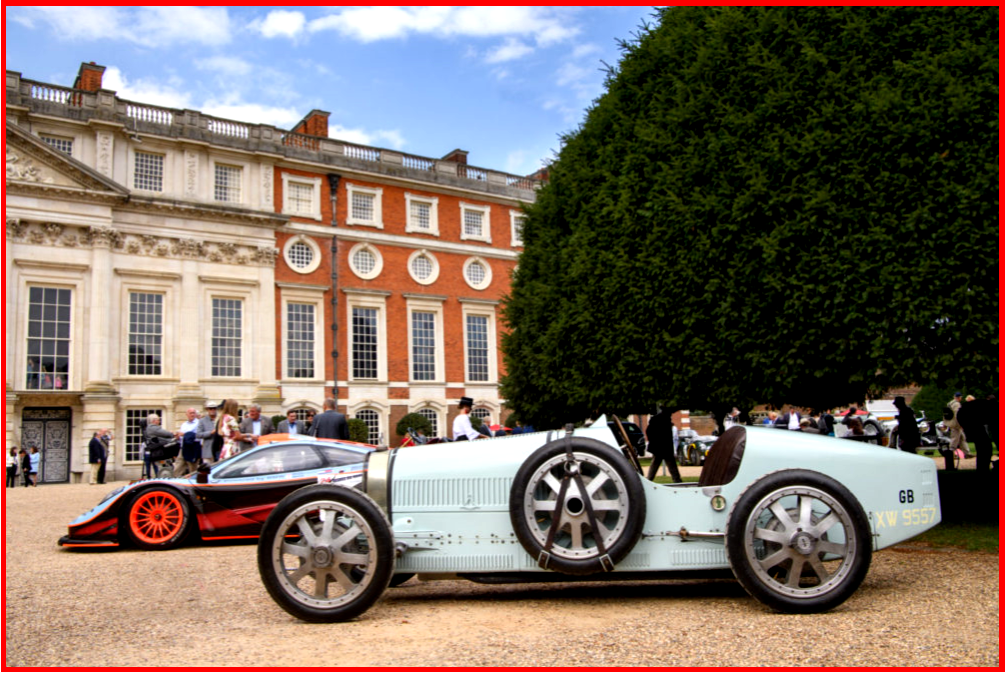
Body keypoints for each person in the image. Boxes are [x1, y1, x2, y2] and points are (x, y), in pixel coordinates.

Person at [956, 395, 996, 473]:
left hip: (966, 415)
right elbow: (996, 433)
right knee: (985, 445)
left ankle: (982, 469)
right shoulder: (995, 411)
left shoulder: (992, 408)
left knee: (984, 444)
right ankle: (982, 470)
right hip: (967, 416)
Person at [645, 408, 682, 482]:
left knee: (657, 464)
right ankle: (677, 480)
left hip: (661, 446)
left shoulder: (659, 418)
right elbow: (650, 431)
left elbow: (648, 431)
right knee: (670, 464)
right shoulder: (661, 419)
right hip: (662, 446)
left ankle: (649, 479)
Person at [144, 414, 177, 478]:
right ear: (154, 421)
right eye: (158, 420)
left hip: (155, 449)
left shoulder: (149, 428)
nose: (159, 422)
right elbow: (165, 433)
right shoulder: (153, 428)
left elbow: (161, 438)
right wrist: (172, 434)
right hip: (158, 451)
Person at [176, 408, 202, 476]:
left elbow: (198, 436)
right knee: (177, 468)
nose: (192, 414)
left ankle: (193, 484)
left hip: (193, 449)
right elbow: (181, 437)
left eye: (193, 413)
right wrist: (178, 437)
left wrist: (184, 434)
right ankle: (176, 482)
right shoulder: (184, 424)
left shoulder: (199, 423)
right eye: (190, 413)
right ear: (187, 414)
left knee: (192, 470)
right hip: (183, 448)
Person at [946, 392, 970, 459]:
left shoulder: (950, 403)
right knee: (955, 439)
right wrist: (961, 423)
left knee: (962, 438)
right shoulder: (957, 404)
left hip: (952, 423)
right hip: (956, 425)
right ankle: (951, 454)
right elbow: (958, 415)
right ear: (959, 397)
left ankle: (967, 453)